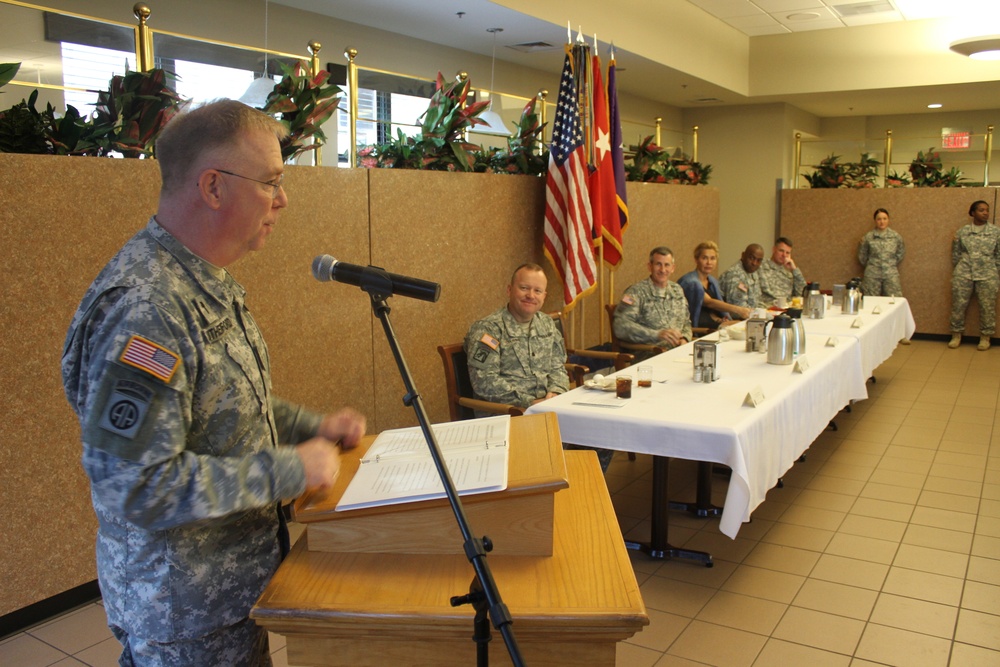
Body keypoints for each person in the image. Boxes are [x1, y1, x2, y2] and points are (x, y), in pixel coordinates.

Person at [61, 100, 366, 666]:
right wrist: (291, 469)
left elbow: (225, 406)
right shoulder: (146, 309)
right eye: (271, 182)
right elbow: (138, 486)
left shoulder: (203, 279)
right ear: (213, 187)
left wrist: (311, 426)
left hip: (228, 597)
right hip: (183, 617)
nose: (283, 199)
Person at [464, 264, 614, 470]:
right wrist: (532, 402)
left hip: (547, 408)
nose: (530, 295)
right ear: (509, 290)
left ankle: (581, 492)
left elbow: (558, 368)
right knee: (555, 442)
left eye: (537, 290)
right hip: (508, 414)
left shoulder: (546, 324)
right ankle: (555, 488)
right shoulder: (488, 330)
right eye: (524, 288)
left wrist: (555, 393)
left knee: (603, 434)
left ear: (544, 295)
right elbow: (484, 382)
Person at [613, 246, 692, 353]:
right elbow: (620, 326)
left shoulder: (677, 290)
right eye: (658, 264)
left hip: (677, 353)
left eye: (667, 265)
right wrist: (656, 334)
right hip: (649, 355)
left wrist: (685, 338)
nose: (663, 270)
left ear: (673, 268)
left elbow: (686, 322)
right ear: (650, 266)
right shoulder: (635, 292)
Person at [949, 200, 1000, 351]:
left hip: (987, 275)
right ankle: (956, 335)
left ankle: (985, 337)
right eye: (981, 210)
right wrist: (962, 267)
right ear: (972, 213)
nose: (985, 213)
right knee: (958, 305)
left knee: (987, 307)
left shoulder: (996, 232)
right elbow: (955, 254)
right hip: (964, 273)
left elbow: (998, 255)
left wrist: (994, 272)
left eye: (987, 210)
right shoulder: (962, 232)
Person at [677, 241, 752, 329]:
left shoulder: (712, 281)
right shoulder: (690, 282)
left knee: (746, 325)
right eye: (704, 258)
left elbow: (713, 311)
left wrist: (721, 320)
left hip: (715, 323)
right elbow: (709, 302)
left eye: (712, 258)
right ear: (696, 259)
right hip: (699, 328)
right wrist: (739, 310)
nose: (709, 262)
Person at [858, 208, 905, 297]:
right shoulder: (868, 237)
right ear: (875, 221)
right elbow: (862, 257)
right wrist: (874, 265)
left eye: (884, 219)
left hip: (890, 274)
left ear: (888, 220)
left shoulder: (896, 237)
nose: (882, 222)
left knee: (894, 302)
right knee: (870, 302)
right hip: (872, 275)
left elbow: (900, 253)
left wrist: (889, 264)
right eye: (879, 219)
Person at [758, 236, 806, 307]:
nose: (784, 255)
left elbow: (802, 293)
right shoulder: (760, 267)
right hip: (768, 309)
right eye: (781, 251)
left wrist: (794, 270)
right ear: (774, 250)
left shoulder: (789, 274)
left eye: (787, 253)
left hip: (786, 310)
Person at [719, 243, 765, 311]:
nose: (754, 263)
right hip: (734, 319)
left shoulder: (753, 272)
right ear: (743, 255)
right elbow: (738, 309)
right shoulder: (734, 274)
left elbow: (758, 301)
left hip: (751, 316)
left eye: (759, 260)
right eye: (751, 258)